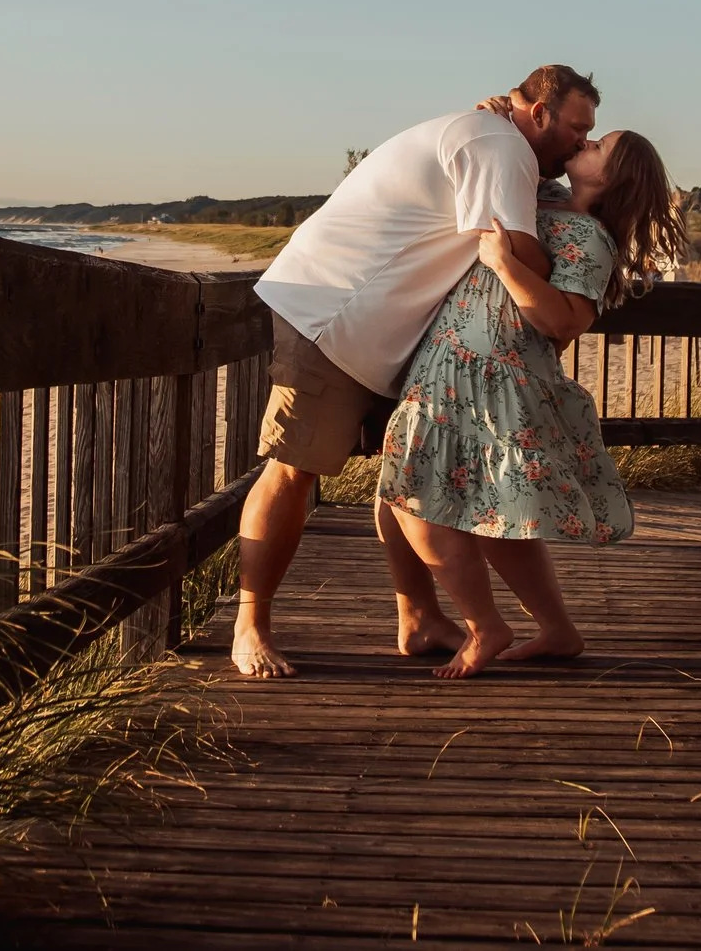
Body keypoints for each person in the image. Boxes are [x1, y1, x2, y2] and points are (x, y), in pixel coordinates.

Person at [233, 66, 601, 679]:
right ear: (538, 111)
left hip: (389, 330)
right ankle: (250, 625)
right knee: (293, 468)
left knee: (404, 479)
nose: (580, 141)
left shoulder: (498, 139)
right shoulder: (499, 144)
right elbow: (515, 250)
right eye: (575, 127)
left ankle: (420, 617)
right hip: (336, 314)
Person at [374, 129, 687, 677]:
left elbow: (565, 320)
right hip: (458, 367)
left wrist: (504, 265)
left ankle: (485, 624)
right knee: (500, 513)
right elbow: (493, 164)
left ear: (612, 178)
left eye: (597, 148)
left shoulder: (589, 236)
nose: (583, 145)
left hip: (487, 378)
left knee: (410, 497)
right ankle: (558, 630)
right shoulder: (541, 200)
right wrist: (497, 116)